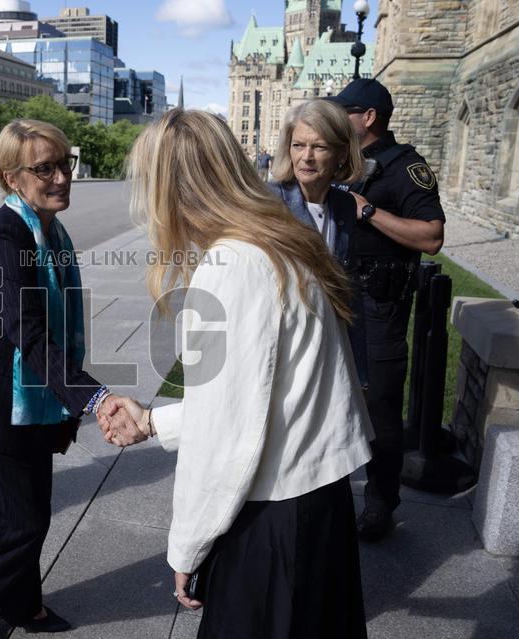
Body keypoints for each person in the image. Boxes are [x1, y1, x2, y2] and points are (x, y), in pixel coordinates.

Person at [101, 109, 373, 638]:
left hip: (274, 519)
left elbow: (230, 435)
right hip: (314, 501)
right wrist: (154, 423)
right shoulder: (278, 242)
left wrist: (187, 545)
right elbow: (255, 395)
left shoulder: (233, 268)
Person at [0, 119, 138, 638]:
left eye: (63, 163)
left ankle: (22, 605)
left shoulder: (49, 230)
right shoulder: (4, 236)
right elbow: (28, 334)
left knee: (33, 508)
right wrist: (94, 398)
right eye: (43, 168)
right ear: (12, 177)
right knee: (21, 519)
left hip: (31, 395)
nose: (61, 176)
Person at [327, 78, 446, 541]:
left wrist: (368, 212)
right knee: (331, 396)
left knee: (379, 410)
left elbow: (432, 237)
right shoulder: (348, 163)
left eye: (345, 112)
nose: (337, 120)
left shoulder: (406, 168)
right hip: (339, 298)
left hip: (379, 308)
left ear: (369, 117)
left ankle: (380, 504)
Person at [269, 99, 368, 386]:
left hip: (332, 349)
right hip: (286, 353)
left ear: (341, 153)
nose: (307, 157)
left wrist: (358, 368)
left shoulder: (346, 206)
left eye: (319, 147)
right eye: (298, 145)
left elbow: (349, 289)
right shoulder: (269, 202)